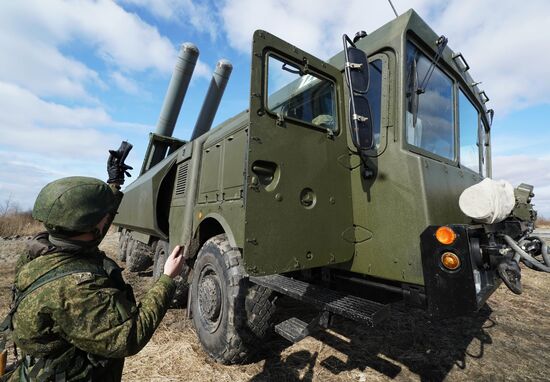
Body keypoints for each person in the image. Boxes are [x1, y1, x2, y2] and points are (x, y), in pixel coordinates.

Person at [1, 147, 185, 381]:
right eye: (103, 217)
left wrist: (114, 184)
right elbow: (130, 335)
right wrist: (167, 279)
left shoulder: (41, 251)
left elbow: (93, 228)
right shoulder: (77, 291)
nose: (106, 220)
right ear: (91, 227)